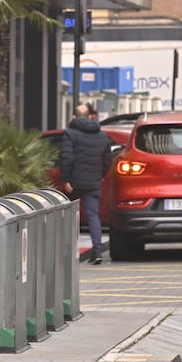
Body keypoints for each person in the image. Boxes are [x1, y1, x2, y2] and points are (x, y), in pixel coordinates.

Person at [59, 104, 112, 264]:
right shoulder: (102, 135)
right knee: (93, 216)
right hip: (93, 181)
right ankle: (97, 252)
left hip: (74, 182)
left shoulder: (69, 133)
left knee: (68, 215)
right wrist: (99, 175)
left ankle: (66, 252)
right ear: (90, 117)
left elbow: (67, 158)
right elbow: (108, 160)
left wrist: (65, 179)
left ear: (74, 117)